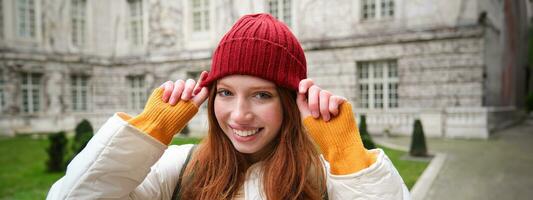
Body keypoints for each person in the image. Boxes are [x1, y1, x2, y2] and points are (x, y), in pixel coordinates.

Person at [47, 13, 409, 200]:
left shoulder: (326, 180)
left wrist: (348, 154)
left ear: (290, 103)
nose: (238, 115)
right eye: (225, 93)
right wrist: (149, 129)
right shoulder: (178, 169)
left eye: (262, 95)